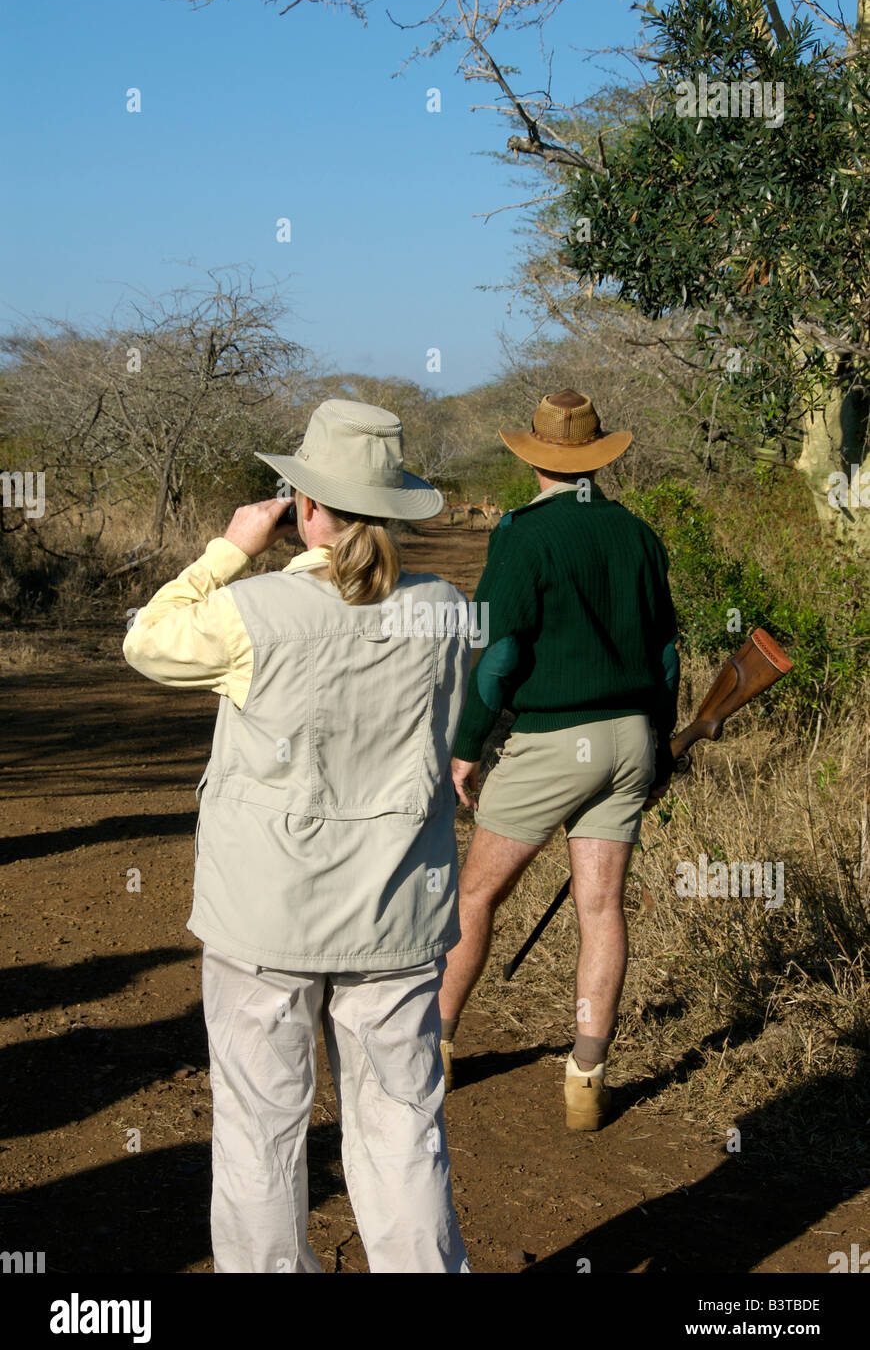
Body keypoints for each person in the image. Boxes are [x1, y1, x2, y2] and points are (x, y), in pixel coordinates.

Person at [123, 399, 472, 1273]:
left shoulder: (253, 610)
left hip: (265, 915)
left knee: (259, 1125)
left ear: (305, 508)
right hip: (396, 913)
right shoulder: (450, 614)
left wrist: (232, 548)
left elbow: (147, 641)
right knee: (403, 1124)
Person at [439, 389, 679, 1131]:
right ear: (598, 456)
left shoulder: (521, 533)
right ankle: (586, 1079)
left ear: (532, 456)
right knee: (601, 906)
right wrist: (662, 746)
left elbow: (500, 654)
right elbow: (668, 655)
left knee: (475, 896)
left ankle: (433, 1052)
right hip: (634, 736)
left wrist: (467, 745)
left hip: (553, 742)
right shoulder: (639, 535)